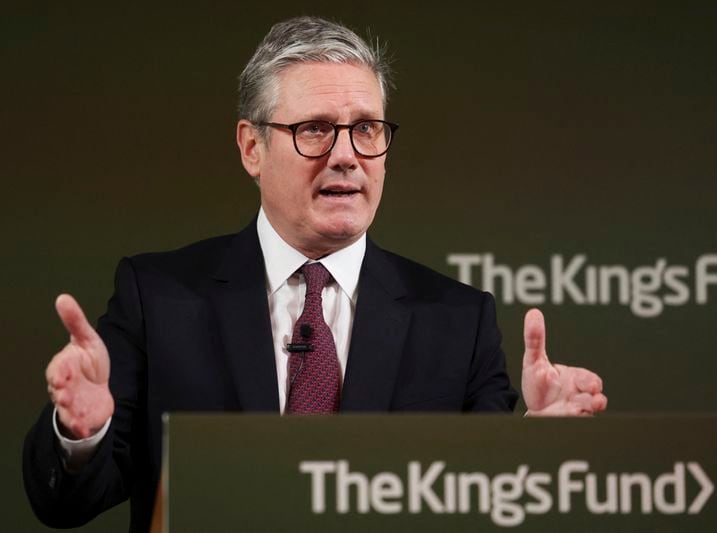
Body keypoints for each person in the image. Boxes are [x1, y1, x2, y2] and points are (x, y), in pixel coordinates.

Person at [23, 16, 607, 532]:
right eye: (315, 129)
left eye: (367, 129)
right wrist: (82, 435)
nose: (347, 155)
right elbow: (68, 503)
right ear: (252, 146)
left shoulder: (457, 320)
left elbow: (483, 503)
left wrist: (536, 451)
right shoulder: (159, 297)